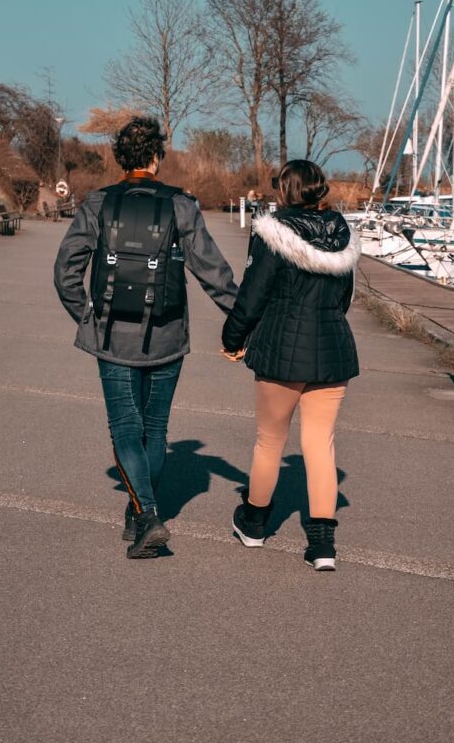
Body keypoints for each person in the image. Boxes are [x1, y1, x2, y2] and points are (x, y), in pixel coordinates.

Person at [54, 117, 237, 559]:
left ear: (121, 158)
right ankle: (140, 513)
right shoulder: (182, 205)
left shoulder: (98, 203)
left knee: (124, 427)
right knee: (154, 429)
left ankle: (147, 513)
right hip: (167, 333)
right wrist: (244, 320)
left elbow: (66, 272)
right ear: (156, 157)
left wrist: (87, 316)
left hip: (113, 334)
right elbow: (213, 271)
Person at [221, 159, 360, 571]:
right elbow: (345, 298)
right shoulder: (342, 233)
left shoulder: (272, 232)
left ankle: (255, 523)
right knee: (320, 444)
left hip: (282, 348)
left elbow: (254, 292)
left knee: (270, 440)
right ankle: (322, 546)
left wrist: (233, 338)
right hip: (333, 346)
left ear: (285, 190)